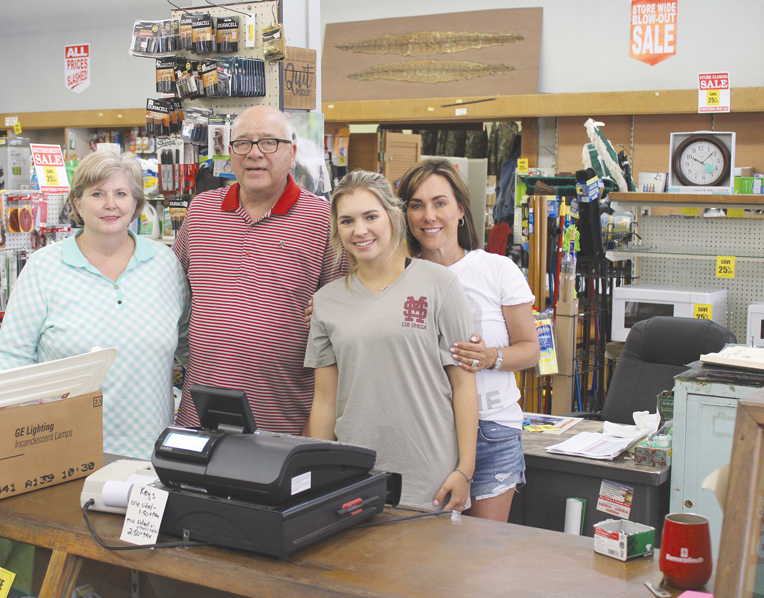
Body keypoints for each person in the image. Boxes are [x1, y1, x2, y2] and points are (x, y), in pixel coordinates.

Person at [0, 151, 190, 459]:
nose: (110, 204)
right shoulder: (44, 268)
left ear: (136, 203)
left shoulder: (165, 265)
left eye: (121, 193)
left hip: (151, 454)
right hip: (63, 452)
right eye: (97, 194)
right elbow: (9, 358)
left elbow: (191, 347)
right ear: (77, 203)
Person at [305, 170, 478, 512]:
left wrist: (465, 470)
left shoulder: (440, 284)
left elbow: (463, 386)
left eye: (371, 216)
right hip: (353, 475)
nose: (360, 230)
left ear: (394, 217)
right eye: (347, 221)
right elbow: (324, 401)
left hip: (430, 476)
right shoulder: (325, 302)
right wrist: (318, 474)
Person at [172, 105, 343, 435]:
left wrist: (318, 427)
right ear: (230, 152)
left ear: (292, 154)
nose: (254, 153)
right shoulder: (201, 211)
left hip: (284, 422)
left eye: (268, 142)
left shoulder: (323, 220)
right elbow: (172, 294)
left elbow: (341, 322)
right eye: (243, 143)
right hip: (198, 417)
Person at [397, 157, 540, 521]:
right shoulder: (397, 277)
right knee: (430, 549)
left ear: (460, 209)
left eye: (440, 203)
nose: (429, 215)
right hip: (426, 432)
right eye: (417, 205)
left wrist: (490, 356)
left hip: (493, 430)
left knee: (483, 551)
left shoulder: (497, 269)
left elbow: (530, 350)